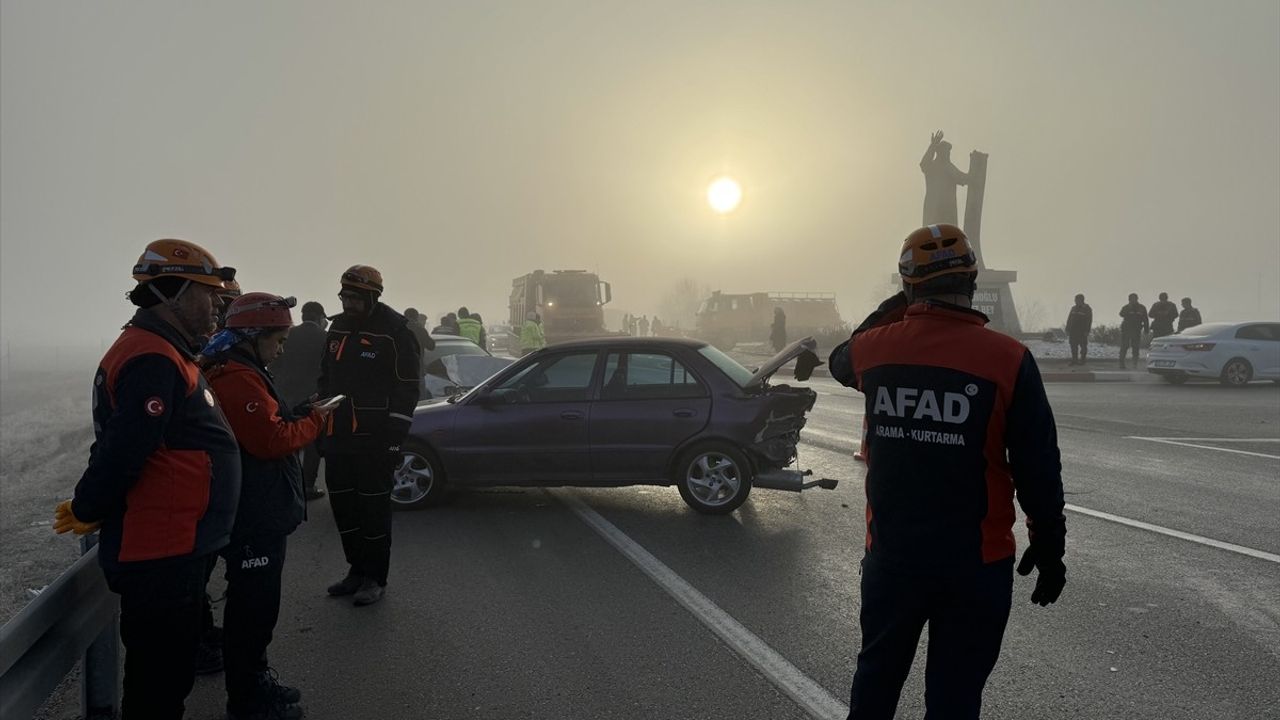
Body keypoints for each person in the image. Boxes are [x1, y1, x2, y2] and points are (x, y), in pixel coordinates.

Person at [828, 224, 1066, 720]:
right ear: (973, 282)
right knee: (955, 700)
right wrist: (1050, 545)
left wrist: (904, 303)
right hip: (976, 565)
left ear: (908, 286)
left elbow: (840, 359)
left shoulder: (875, 350)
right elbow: (1037, 464)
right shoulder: (1009, 359)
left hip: (893, 560)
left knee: (875, 686)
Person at [54, 239, 241, 720]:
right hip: (162, 552)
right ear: (172, 292)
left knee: (167, 676)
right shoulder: (151, 358)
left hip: (176, 546)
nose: (218, 304)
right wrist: (88, 507)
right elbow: (123, 449)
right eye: (209, 294)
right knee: (159, 683)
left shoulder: (167, 352)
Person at [203, 293, 334, 720]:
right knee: (253, 609)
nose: (281, 349)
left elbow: (267, 423)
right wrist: (314, 422)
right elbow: (269, 440)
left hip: (254, 504)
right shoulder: (237, 377)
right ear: (254, 336)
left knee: (255, 606)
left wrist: (294, 413)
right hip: (253, 510)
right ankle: (249, 697)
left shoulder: (244, 369)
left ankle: (255, 681)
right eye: (277, 341)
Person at [319, 265, 421, 606]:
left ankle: (375, 577)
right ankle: (356, 571)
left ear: (373, 296)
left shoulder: (395, 333)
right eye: (344, 296)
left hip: (375, 439)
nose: (348, 303)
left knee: (372, 510)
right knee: (344, 507)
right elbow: (325, 379)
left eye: (354, 298)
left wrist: (394, 440)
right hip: (338, 436)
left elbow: (407, 390)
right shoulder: (337, 329)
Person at [269, 301, 330, 501]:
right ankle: (307, 485)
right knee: (311, 440)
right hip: (313, 394)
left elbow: (274, 362)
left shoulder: (288, 334)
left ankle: (288, 483)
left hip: (285, 393)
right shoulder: (325, 338)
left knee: (286, 438)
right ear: (320, 318)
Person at [1118, 293, 1149, 368]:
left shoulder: (1142, 308)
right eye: (1131, 299)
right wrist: (1129, 309)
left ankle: (1134, 364)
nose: (1133, 300)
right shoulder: (1126, 307)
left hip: (1136, 330)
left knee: (1135, 347)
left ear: (1137, 299)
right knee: (1124, 346)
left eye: (1134, 299)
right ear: (1129, 300)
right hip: (1126, 330)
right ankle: (1121, 363)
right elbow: (1121, 314)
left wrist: (1146, 329)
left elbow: (1145, 319)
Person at [1065, 294, 1093, 366]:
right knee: (1073, 346)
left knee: (1083, 346)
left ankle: (1082, 360)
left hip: (1082, 331)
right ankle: (1074, 360)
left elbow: (1089, 320)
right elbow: (1069, 319)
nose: (1075, 301)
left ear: (1081, 300)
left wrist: (1087, 331)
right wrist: (1067, 329)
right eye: (1075, 300)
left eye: (1076, 300)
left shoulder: (1087, 308)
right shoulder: (1073, 308)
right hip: (1073, 331)